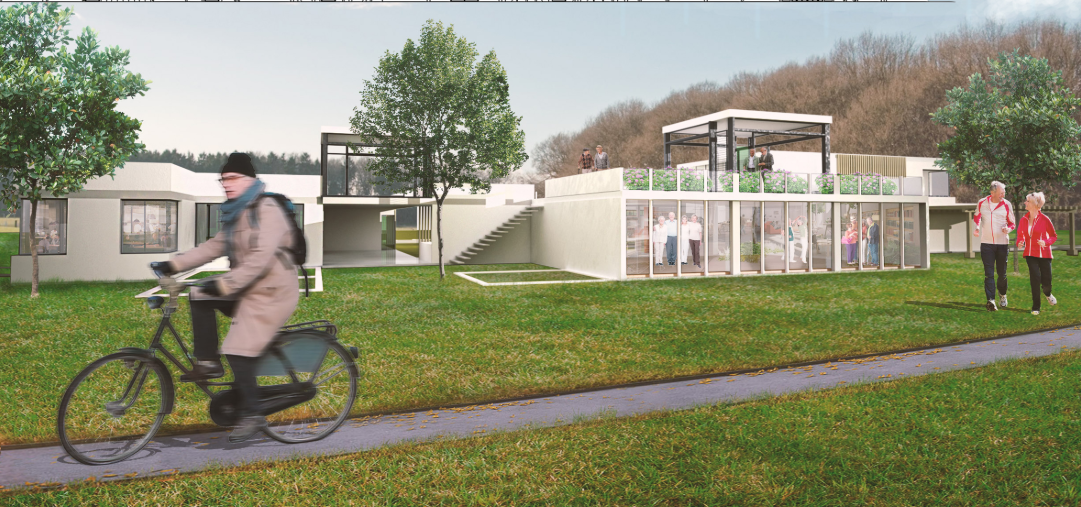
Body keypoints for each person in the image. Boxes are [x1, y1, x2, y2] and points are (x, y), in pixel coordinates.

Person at [150, 153, 299, 443]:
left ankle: (253, 413)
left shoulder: (267, 209)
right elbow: (214, 246)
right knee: (198, 293)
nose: (226, 184)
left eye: (232, 179)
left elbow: (260, 259)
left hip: (272, 292)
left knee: (236, 345)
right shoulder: (237, 213)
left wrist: (225, 284)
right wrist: (174, 265)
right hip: (248, 287)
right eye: (223, 179)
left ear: (250, 180)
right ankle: (208, 362)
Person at [973, 181, 1016, 311]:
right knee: (989, 274)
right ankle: (990, 300)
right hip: (986, 244)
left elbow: (1012, 223)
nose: (1003, 195)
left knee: (1002, 274)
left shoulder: (1007, 204)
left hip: (1002, 244)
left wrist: (1008, 229)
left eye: (1004, 193)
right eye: (1001, 193)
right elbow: (977, 216)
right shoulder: (982, 203)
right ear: (993, 193)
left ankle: (1002, 295)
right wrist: (976, 227)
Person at [1016, 192, 1058, 315]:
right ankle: (1036, 307)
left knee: (1046, 281)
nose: (1025, 203)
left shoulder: (1045, 219)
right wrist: (1020, 242)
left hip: (1044, 254)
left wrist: (1045, 242)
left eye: (1027, 201)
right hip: (1030, 253)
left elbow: (1053, 236)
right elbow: (1020, 235)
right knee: (1035, 278)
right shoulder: (1024, 219)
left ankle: (1048, 293)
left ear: (1035, 204)